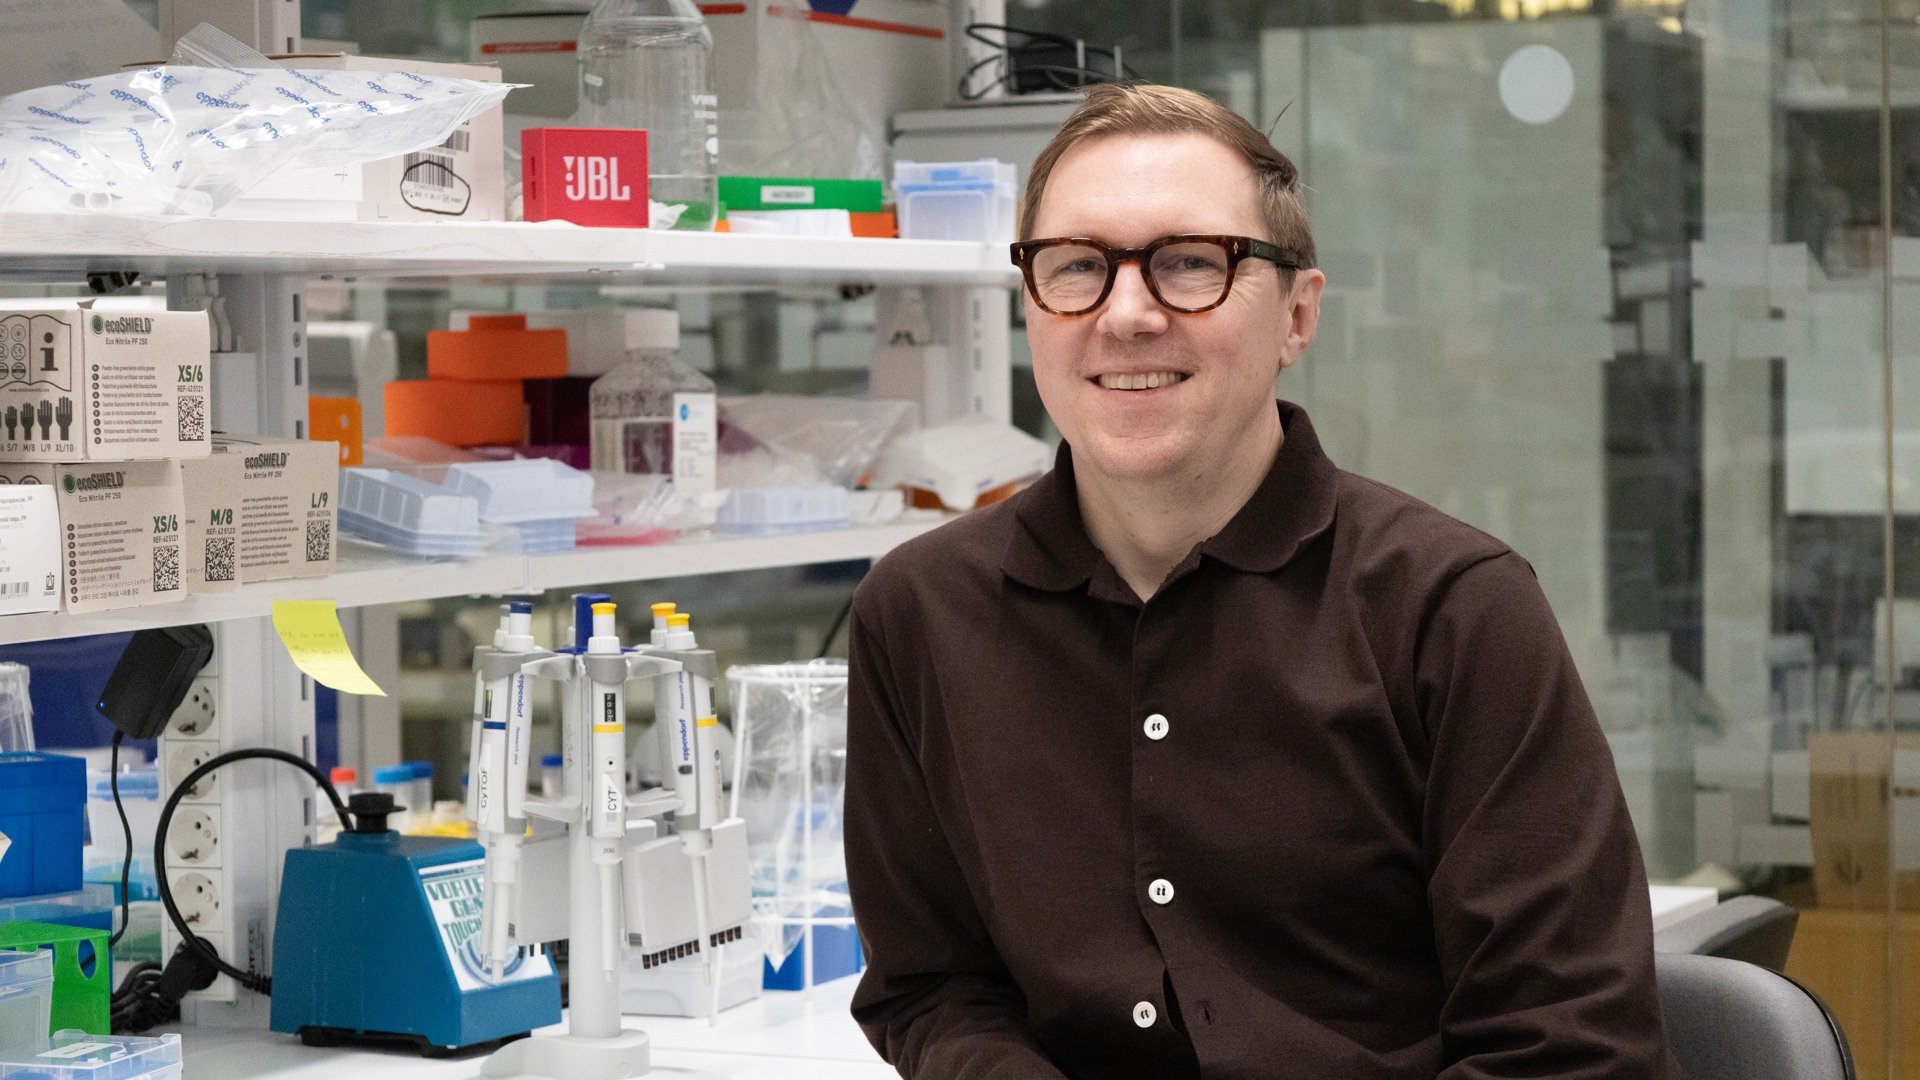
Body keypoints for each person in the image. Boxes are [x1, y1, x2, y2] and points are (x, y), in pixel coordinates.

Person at [843, 83, 1678, 1080]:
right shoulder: (920, 613)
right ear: (1032, 309)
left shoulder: (1454, 609)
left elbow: (1571, 1043)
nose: (1129, 314)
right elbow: (931, 989)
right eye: (1077, 268)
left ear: (1298, 313)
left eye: (1192, 263)